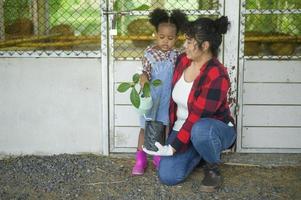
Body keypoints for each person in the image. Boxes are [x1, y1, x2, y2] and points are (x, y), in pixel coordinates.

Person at [143, 16, 237, 192]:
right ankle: (200, 153)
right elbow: (155, 63)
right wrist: (143, 77)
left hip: (212, 128)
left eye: (189, 41)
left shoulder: (217, 75)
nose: (184, 45)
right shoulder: (183, 60)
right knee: (168, 176)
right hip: (183, 128)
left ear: (205, 45)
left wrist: (172, 147)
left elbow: (197, 117)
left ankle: (212, 167)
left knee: (201, 130)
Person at [132, 8, 187, 176]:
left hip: (168, 99)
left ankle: (158, 157)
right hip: (152, 97)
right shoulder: (149, 53)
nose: (166, 41)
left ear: (177, 38)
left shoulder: (177, 55)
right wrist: (143, 77)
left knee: (164, 127)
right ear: (155, 34)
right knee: (145, 127)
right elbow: (145, 72)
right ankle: (140, 159)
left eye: (170, 38)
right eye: (162, 37)